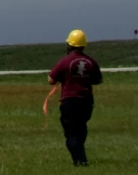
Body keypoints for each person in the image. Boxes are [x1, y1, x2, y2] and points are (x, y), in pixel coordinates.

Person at [43, 28, 102, 167]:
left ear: (69, 45)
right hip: (86, 101)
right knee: (81, 127)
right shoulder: (91, 62)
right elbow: (98, 80)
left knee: (71, 132)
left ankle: (80, 160)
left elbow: (51, 80)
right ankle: (80, 155)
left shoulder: (65, 61)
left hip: (69, 100)